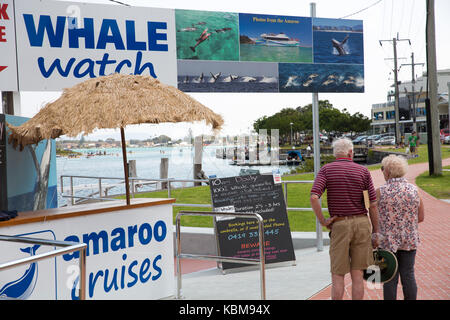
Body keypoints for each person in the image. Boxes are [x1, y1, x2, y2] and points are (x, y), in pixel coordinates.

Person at [310, 138, 380, 300]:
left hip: (339, 224)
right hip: (361, 223)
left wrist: (323, 221)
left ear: (336, 154)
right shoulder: (362, 171)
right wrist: (376, 231)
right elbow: (372, 204)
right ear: (350, 152)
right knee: (358, 275)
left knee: (338, 275)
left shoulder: (327, 170)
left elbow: (314, 197)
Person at [376, 155, 425, 300]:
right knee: (408, 274)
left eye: (382, 169)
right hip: (409, 240)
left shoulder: (380, 191)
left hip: (386, 242)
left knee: (389, 278)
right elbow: (421, 217)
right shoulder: (414, 190)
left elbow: (367, 209)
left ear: (388, 171)